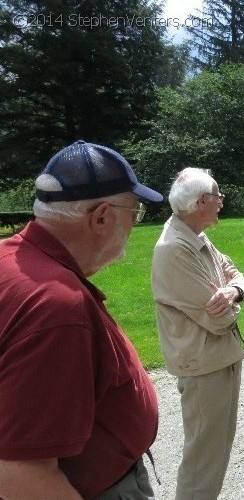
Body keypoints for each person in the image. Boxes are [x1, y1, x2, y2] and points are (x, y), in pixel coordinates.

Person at [0, 140, 162, 498]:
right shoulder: (56, 305)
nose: (134, 225)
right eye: (134, 213)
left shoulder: (10, 260)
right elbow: (20, 477)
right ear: (101, 216)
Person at [151, 167, 244, 499]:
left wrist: (233, 292)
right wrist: (232, 299)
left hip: (218, 358)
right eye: (217, 196)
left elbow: (236, 274)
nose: (221, 202)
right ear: (201, 202)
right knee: (203, 458)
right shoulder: (175, 248)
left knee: (216, 450)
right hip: (203, 364)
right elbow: (219, 321)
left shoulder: (195, 235)